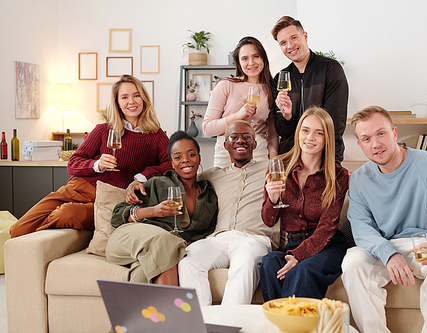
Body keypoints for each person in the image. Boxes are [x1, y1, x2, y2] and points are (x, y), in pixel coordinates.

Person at [341, 106, 427, 333]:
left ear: (394, 133)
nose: (376, 144)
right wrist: (389, 253)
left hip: (423, 245)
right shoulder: (359, 179)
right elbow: (361, 228)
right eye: (366, 138)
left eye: (381, 134)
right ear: (360, 145)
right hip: (382, 248)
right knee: (352, 262)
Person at [10, 74, 172, 238]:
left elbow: (171, 163)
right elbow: (73, 164)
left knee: (67, 214)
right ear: (118, 103)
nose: (132, 101)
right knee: (18, 229)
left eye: (136, 95)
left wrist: (142, 176)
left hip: (109, 201)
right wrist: (97, 165)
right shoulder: (103, 130)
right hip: (79, 189)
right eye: (124, 97)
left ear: (143, 99)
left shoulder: (155, 134)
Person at [178, 120, 280, 306]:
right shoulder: (212, 175)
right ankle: (201, 324)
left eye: (246, 137)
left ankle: (227, 324)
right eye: (234, 137)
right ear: (226, 145)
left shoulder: (271, 171)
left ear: (254, 144)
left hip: (255, 239)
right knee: (188, 260)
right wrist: (139, 182)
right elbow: (179, 176)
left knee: (245, 263)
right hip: (219, 239)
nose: (240, 141)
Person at [259, 107, 349, 301]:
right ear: (298, 132)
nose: (310, 137)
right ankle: (278, 323)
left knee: (302, 270)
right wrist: (273, 199)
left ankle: (296, 326)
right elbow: (267, 220)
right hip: (292, 242)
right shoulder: (279, 166)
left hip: (328, 246)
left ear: (327, 139)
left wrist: (298, 256)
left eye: (319, 133)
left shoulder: (338, 175)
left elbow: (327, 228)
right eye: (305, 130)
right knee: (268, 263)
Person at [106, 131, 218, 285]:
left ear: (199, 157)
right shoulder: (158, 184)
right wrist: (153, 211)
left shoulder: (209, 196)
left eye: (191, 154)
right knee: (166, 245)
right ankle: (170, 309)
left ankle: (137, 307)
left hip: (154, 252)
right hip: (127, 241)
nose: (185, 160)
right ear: (171, 163)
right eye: (178, 157)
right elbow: (117, 216)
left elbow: (206, 236)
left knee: (152, 267)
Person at [271, 15, 348, 162]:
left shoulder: (330, 69)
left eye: (294, 38)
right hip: (290, 159)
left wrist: (331, 162)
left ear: (305, 36)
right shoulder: (280, 79)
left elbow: (335, 124)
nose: (290, 45)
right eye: (283, 43)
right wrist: (287, 117)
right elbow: (282, 131)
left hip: (323, 158)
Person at [202, 36, 278, 167]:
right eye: (245, 58)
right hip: (226, 152)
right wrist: (238, 116)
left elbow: (272, 135)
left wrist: (273, 162)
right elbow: (207, 129)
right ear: (238, 62)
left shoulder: (271, 89)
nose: (251, 63)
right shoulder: (226, 85)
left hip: (259, 153)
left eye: (256, 56)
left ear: (263, 58)